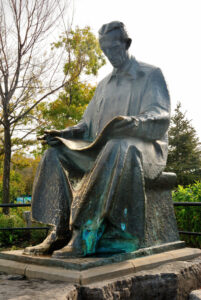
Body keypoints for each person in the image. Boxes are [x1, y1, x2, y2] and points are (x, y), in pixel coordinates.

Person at [24, 21, 170, 258]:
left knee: (119, 144)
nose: (110, 54)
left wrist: (133, 123)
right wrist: (64, 134)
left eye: (114, 48)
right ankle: (59, 229)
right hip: (101, 150)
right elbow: (86, 124)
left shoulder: (150, 74)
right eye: (105, 50)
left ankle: (85, 232)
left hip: (144, 148)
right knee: (55, 152)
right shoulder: (103, 85)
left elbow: (160, 116)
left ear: (126, 43)